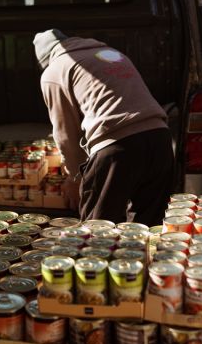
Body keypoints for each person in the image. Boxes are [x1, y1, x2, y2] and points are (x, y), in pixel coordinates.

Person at [33, 29, 174, 225]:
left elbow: (65, 133)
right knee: (149, 226)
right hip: (160, 139)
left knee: (98, 232)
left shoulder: (54, 70)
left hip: (117, 148)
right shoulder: (110, 53)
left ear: (45, 59)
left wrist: (74, 177)